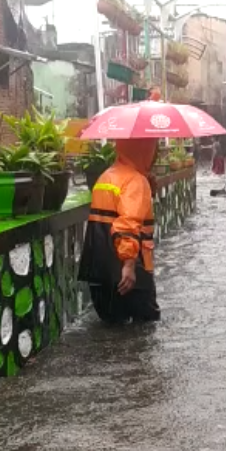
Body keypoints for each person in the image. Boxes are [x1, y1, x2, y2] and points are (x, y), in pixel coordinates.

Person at [78, 139, 161, 324]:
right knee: (145, 330)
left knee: (112, 330)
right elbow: (127, 224)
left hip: (99, 270)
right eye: (153, 146)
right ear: (143, 149)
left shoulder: (104, 177)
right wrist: (129, 265)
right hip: (128, 272)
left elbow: (114, 213)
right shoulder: (135, 180)